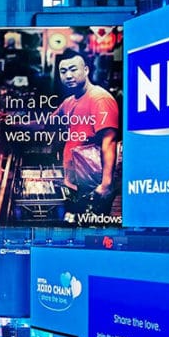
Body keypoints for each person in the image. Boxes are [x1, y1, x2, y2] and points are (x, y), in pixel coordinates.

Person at [53, 48, 120, 222]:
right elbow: (49, 122)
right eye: (63, 71)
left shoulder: (99, 99)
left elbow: (109, 142)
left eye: (73, 69)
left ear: (86, 70)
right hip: (75, 183)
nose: (68, 75)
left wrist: (106, 184)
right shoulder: (69, 101)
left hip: (93, 185)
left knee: (91, 234)